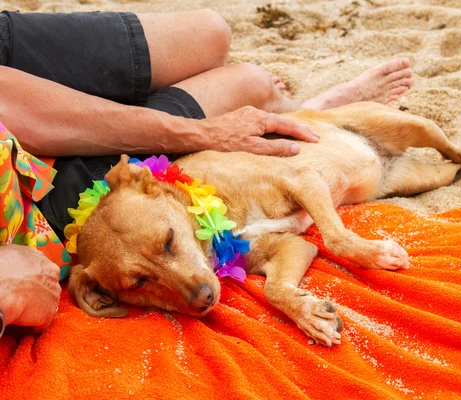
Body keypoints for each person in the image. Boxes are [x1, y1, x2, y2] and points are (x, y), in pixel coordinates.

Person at [0, 10, 413, 335]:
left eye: (167, 244)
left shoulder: (152, 203)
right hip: (42, 220)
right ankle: (302, 112)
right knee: (247, 83)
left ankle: (301, 113)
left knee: (210, 34)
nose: (194, 294)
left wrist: (203, 133)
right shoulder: (118, 252)